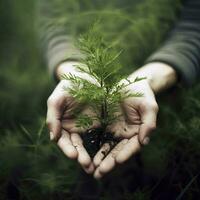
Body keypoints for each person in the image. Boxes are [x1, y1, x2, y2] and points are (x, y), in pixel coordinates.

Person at [39, 0, 200, 179]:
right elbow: (54, 21)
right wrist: (73, 72)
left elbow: (194, 26)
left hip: (171, 105)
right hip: (80, 108)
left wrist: (147, 80)